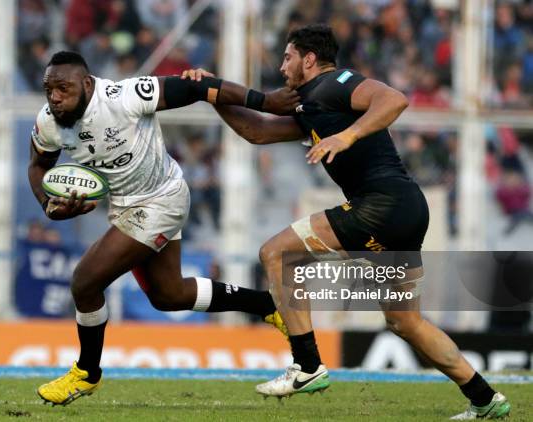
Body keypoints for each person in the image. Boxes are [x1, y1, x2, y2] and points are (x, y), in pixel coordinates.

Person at [181, 24, 511, 419]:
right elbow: (258, 130)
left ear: (309, 59)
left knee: (276, 253)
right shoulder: (311, 104)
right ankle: (485, 398)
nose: (281, 65)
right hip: (405, 210)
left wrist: (347, 137)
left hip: (381, 206)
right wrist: (213, 97)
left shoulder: (335, 83)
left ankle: (306, 365)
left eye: (287, 58)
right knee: (405, 322)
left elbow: (394, 99)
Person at [28, 51, 298, 406]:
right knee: (169, 295)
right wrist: (49, 205)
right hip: (127, 206)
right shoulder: (49, 121)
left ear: (88, 84)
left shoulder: (124, 97)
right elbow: (38, 166)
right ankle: (270, 305)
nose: (56, 97)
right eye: (50, 89)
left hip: (161, 200)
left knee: (85, 281)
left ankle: (86, 373)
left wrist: (266, 101)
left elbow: (198, 87)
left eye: (63, 88)